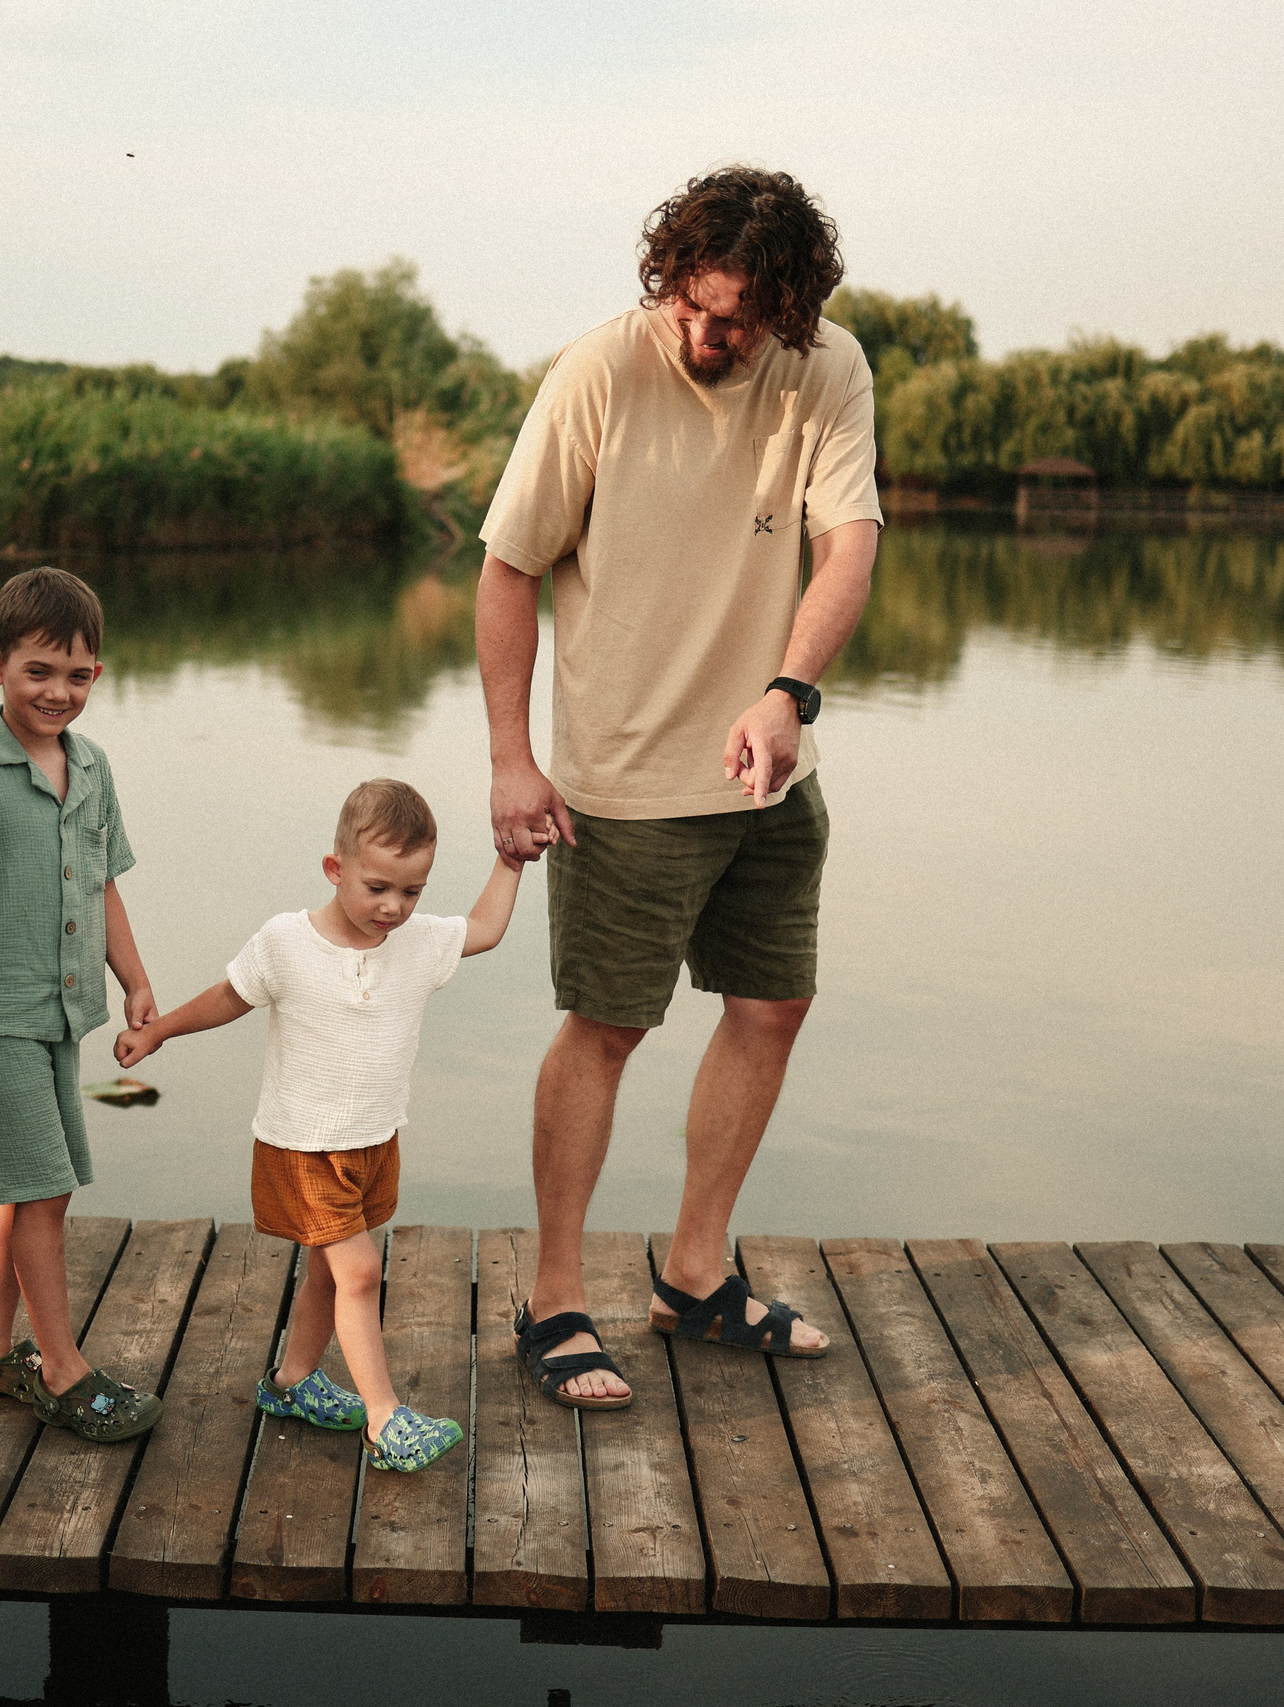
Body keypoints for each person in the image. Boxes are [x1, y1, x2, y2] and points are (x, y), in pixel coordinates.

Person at [476, 166, 882, 1408]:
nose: (711, 339)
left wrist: (787, 695)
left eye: (740, 322)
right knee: (606, 1027)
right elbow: (506, 571)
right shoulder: (598, 373)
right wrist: (510, 757)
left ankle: (695, 1275)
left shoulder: (831, 371)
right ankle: (554, 1302)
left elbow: (848, 544)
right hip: (623, 783)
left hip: (764, 775)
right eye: (695, 311)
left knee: (771, 1007)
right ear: (669, 281)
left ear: (791, 312)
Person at [113, 780, 528, 1470]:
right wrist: (160, 1033)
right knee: (360, 1270)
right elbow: (229, 996)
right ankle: (384, 1418)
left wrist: (510, 864)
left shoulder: (418, 941)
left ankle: (292, 1381)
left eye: (412, 890)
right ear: (335, 869)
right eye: (377, 888)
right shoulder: (286, 941)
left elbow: (484, 928)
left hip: (373, 1140)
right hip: (304, 1147)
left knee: (330, 1276)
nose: (394, 907)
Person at [0, 565, 164, 1442]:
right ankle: (61, 1367)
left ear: (97, 675)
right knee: (42, 1188)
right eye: (38, 671)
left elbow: (104, 884)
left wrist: (134, 980)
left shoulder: (92, 767)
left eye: (78, 674)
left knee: (30, 1187)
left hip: (59, 1015)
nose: (59, 691)